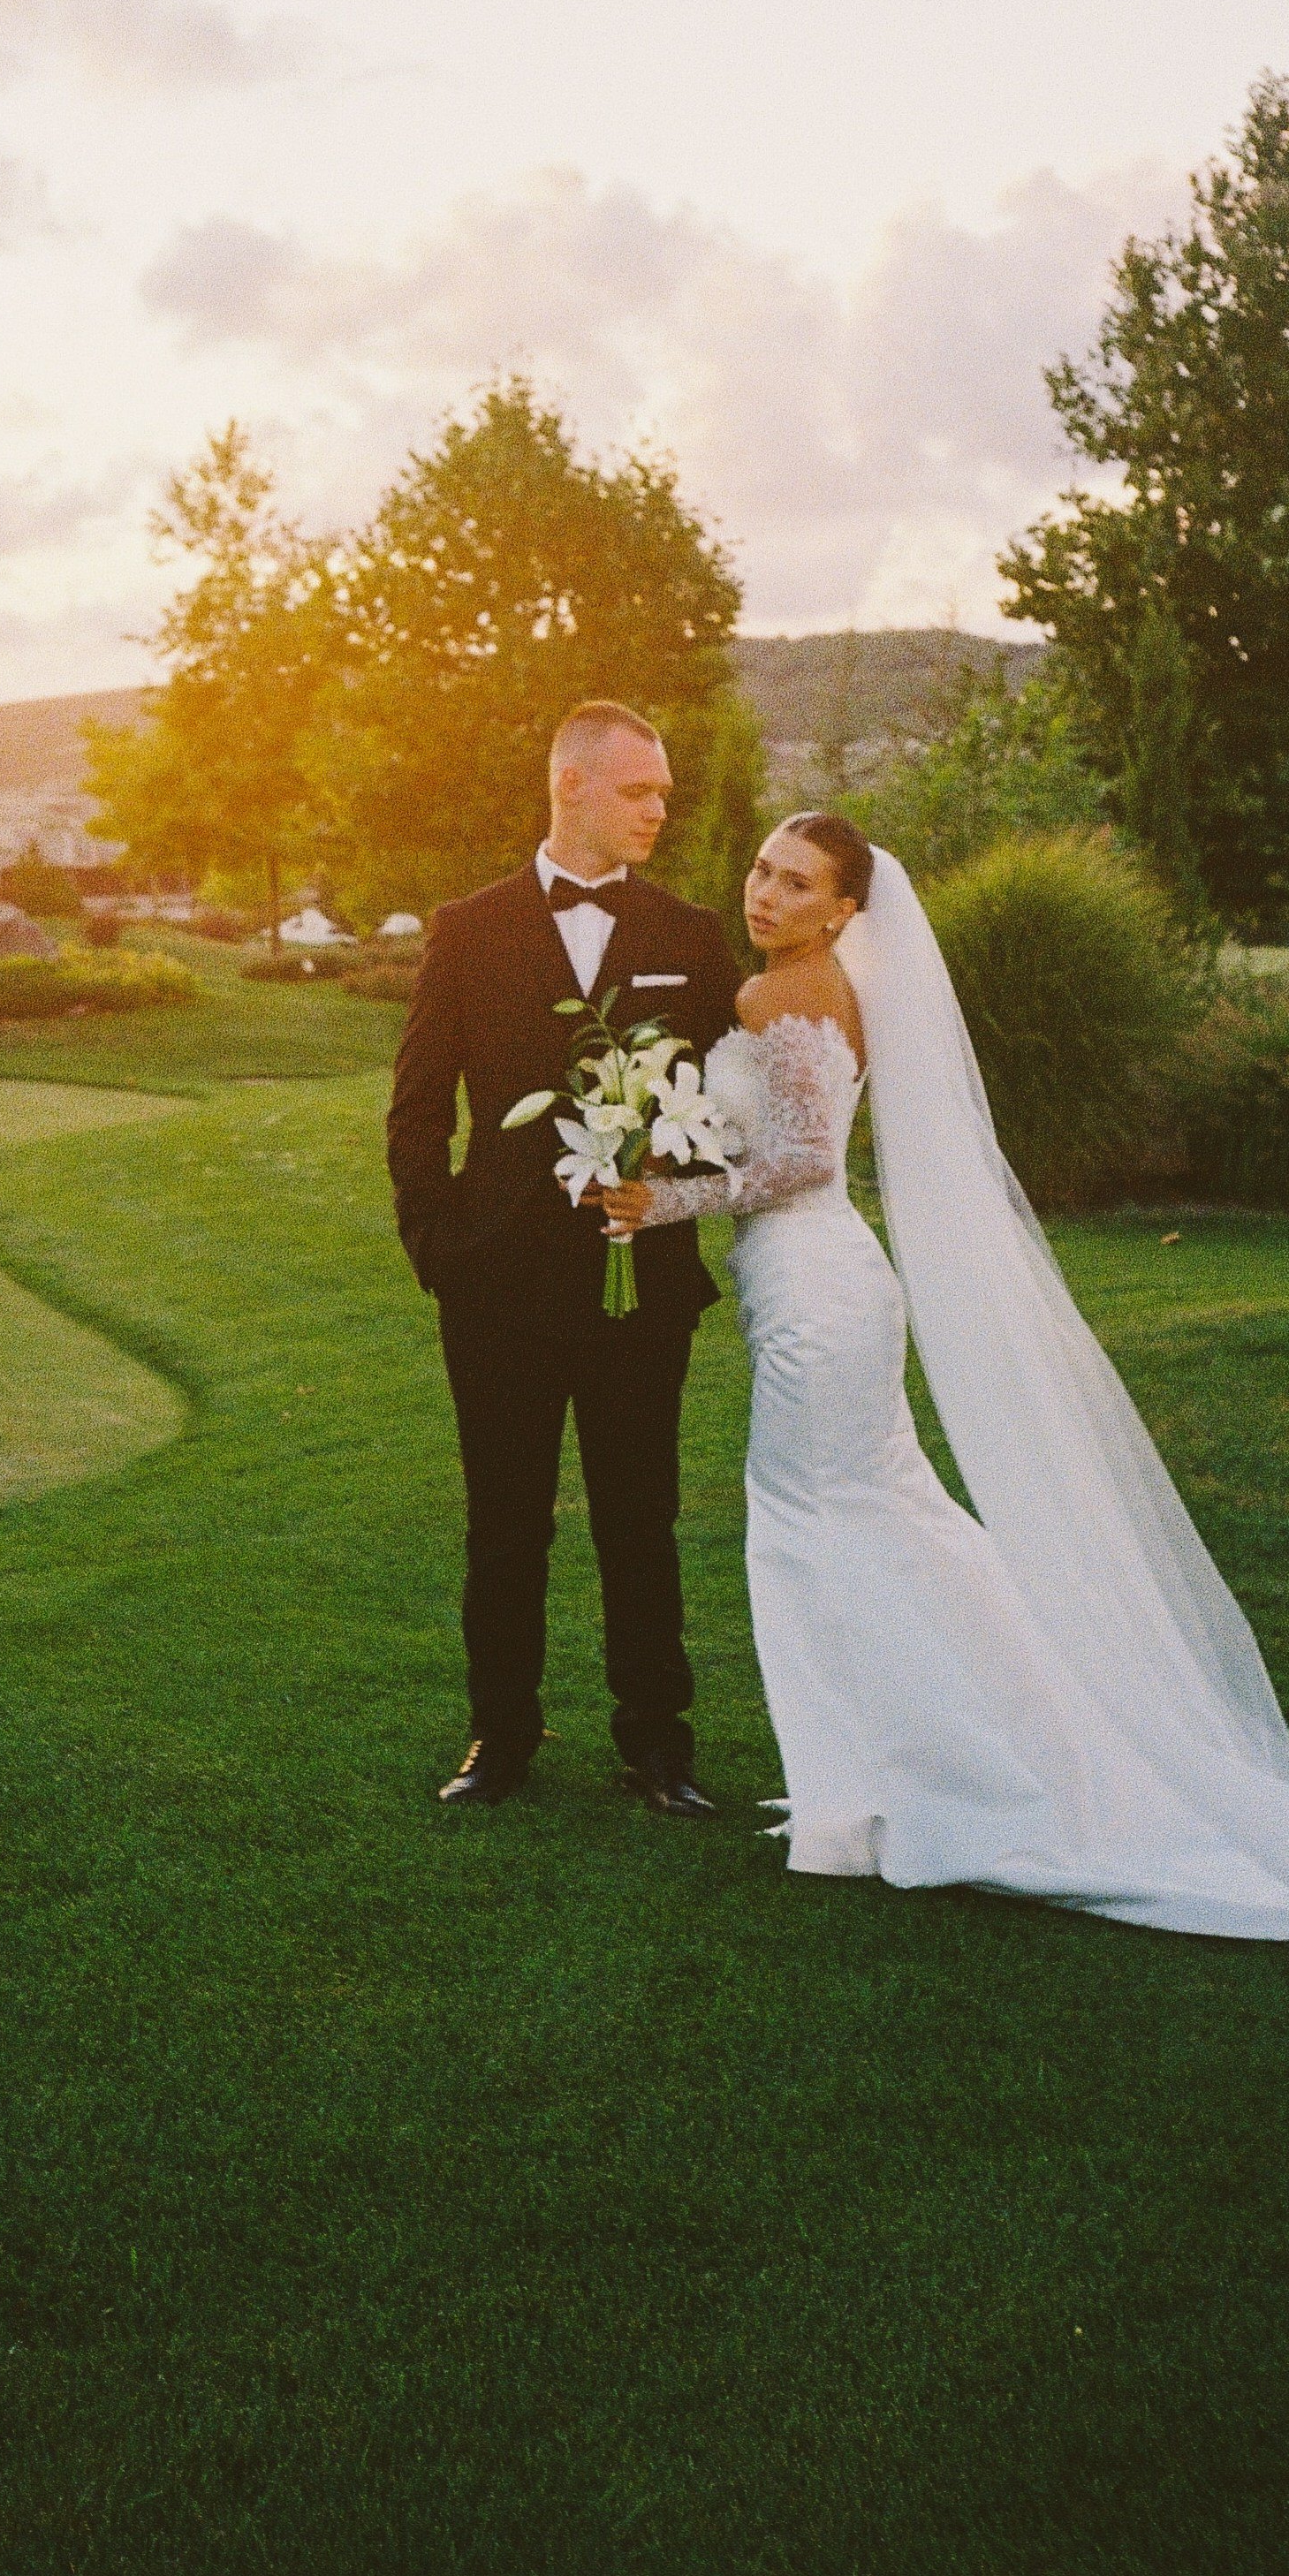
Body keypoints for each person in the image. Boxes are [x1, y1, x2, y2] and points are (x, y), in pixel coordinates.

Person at [600, 813, 1289, 2053]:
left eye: (797, 880)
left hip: (817, 1287)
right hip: (811, 1287)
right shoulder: (783, 984)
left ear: (842, 909)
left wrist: (658, 1193)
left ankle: (928, 1789)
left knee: (829, 1525)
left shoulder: (792, 992)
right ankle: (926, 1771)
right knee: (877, 1519)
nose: (765, 889)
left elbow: (805, 1160)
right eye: (764, 868)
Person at [387, 702, 742, 1815]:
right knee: (506, 1520)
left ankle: (658, 1746)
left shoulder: (689, 938)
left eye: (665, 794)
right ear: (572, 786)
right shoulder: (468, 926)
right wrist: (437, 1245)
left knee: (642, 1514)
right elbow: (414, 1105)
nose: (659, 810)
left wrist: (672, 1191)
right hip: (494, 1286)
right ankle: (501, 1739)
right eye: (640, 791)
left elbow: (730, 1110)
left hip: (644, 1284)